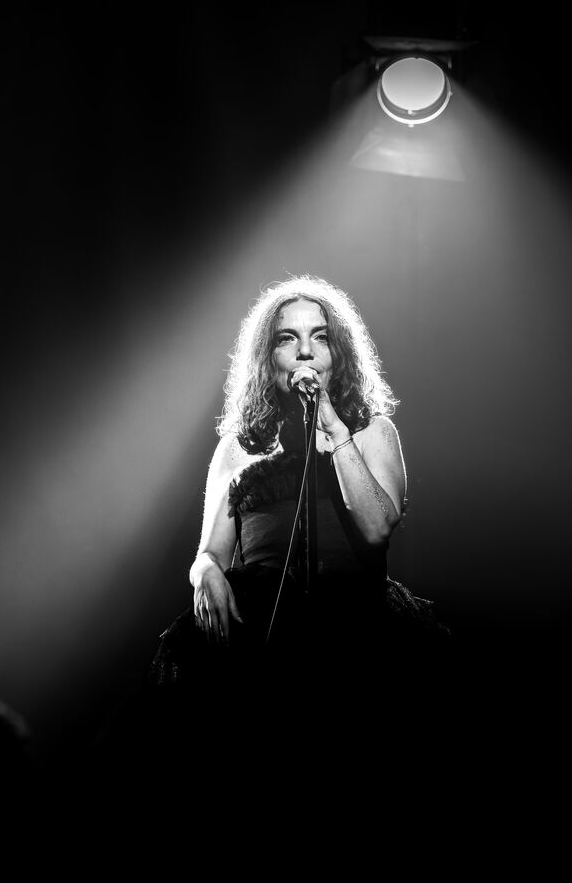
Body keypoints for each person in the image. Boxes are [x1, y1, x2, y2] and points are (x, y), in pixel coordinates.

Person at [146, 274, 447, 771]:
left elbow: (377, 529)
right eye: (288, 338)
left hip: (355, 633)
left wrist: (334, 429)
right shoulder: (238, 447)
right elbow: (209, 554)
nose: (306, 351)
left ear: (338, 355)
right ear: (269, 358)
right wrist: (205, 576)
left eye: (320, 337)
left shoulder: (372, 432)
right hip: (260, 634)